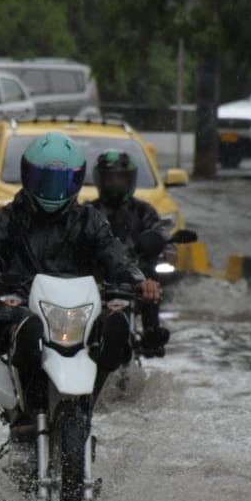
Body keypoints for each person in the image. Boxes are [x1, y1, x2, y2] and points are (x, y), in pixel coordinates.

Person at [0, 132, 161, 406]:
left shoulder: (89, 219)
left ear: (77, 181)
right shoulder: (9, 217)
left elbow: (113, 251)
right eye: (44, 181)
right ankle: (28, 401)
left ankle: (92, 398)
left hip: (78, 307)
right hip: (23, 301)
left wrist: (139, 280)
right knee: (17, 322)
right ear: (28, 176)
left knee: (114, 324)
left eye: (61, 182)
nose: (52, 190)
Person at [90, 150, 172, 356]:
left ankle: (150, 332)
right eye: (110, 178)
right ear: (100, 180)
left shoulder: (144, 211)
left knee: (153, 279)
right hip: (99, 276)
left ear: (130, 180)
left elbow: (160, 233)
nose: (115, 183)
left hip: (137, 276)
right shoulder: (88, 212)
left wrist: (168, 249)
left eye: (120, 177)